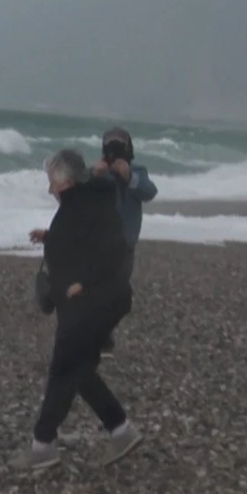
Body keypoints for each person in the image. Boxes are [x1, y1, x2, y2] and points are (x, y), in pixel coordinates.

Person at [15, 149, 143, 470]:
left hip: (93, 303)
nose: (50, 190)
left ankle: (43, 445)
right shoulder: (83, 201)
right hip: (89, 304)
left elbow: (116, 249)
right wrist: (50, 237)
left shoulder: (88, 202)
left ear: (67, 181)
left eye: (52, 182)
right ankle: (121, 430)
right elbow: (83, 239)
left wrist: (83, 283)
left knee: (64, 369)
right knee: (79, 370)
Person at [91, 127, 157, 355]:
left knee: (119, 292)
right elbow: (76, 194)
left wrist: (129, 177)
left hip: (126, 244)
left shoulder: (138, 171)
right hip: (99, 242)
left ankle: (106, 330)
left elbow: (149, 192)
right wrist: (94, 175)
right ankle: (95, 335)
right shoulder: (98, 172)